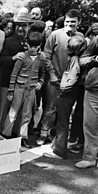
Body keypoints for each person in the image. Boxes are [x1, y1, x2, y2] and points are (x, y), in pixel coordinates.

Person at [38, 9, 84, 145]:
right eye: (67, 21)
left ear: (79, 22)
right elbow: (46, 56)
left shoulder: (81, 36)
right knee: (50, 108)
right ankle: (43, 133)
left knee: (65, 110)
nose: (70, 24)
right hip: (55, 79)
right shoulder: (55, 35)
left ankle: (57, 136)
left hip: (71, 82)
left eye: (73, 22)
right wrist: (51, 74)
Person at [44, 36, 87, 159]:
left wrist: (63, 89)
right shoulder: (79, 59)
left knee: (62, 122)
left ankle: (59, 151)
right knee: (63, 120)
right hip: (75, 91)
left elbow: (73, 77)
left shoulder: (74, 59)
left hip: (67, 93)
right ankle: (57, 145)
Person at [3, 32, 46, 148]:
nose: (32, 48)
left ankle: (23, 137)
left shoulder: (41, 58)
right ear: (26, 44)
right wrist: (11, 91)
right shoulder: (22, 57)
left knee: (27, 115)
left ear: (40, 45)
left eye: (35, 46)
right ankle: (6, 135)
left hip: (31, 90)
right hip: (19, 88)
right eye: (30, 45)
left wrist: (40, 83)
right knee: (13, 113)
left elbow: (43, 73)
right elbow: (14, 74)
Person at [0, 12, 33, 133]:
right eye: (18, 25)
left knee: (20, 112)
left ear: (29, 26)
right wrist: (13, 58)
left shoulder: (30, 42)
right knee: (3, 109)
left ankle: (14, 135)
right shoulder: (8, 41)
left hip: (23, 83)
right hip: (6, 81)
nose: (21, 28)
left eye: (24, 25)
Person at [76, 38, 98, 168]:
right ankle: (90, 157)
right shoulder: (96, 40)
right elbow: (82, 59)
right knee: (90, 124)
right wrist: (95, 60)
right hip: (93, 89)